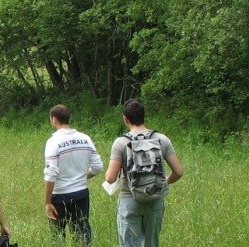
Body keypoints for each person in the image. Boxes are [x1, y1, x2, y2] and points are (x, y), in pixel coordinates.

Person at [105, 99, 184, 247]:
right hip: (155, 200)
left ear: (125, 119)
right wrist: (162, 182)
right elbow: (179, 171)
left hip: (130, 201)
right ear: (143, 116)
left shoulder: (121, 143)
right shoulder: (162, 140)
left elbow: (110, 178)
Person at [44, 104, 104, 245]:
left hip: (59, 196)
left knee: (58, 236)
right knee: (82, 234)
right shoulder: (85, 139)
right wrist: (82, 177)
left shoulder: (53, 142)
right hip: (81, 193)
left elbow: (51, 173)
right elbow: (98, 167)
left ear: (54, 119)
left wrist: (47, 202)